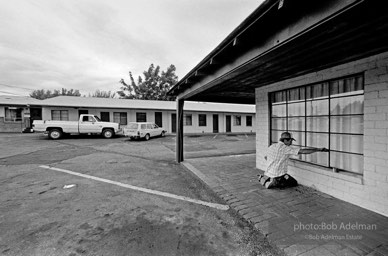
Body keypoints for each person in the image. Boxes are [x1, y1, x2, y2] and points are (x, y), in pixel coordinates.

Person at [259, 132, 329, 189]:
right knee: (293, 183)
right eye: (290, 141)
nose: (291, 143)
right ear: (285, 140)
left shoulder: (272, 146)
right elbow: (303, 151)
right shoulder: (285, 148)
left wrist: (277, 161)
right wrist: (318, 149)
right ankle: (274, 182)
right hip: (278, 175)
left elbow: (265, 157)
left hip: (268, 172)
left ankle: (265, 178)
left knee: (285, 178)